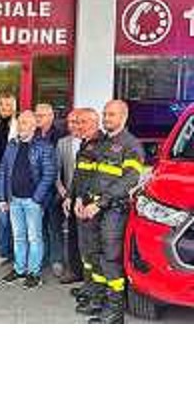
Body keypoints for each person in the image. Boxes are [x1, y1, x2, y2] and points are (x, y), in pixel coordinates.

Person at [79, 100, 145, 324]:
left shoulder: (131, 145)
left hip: (113, 212)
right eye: (105, 114)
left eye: (112, 114)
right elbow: (91, 175)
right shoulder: (102, 143)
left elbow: (129, 180)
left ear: (123, 117)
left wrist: (100, 203)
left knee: (110, 259)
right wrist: (82, 198)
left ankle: (115, 312)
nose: (107, 118)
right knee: (96, 256)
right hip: (94, 208)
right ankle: (99, 301)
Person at [0, 110, 57, 289]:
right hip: (14, 200)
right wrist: (2, 198)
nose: (20, 126)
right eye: (19, 123)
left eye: (24, 123)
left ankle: (34, 273)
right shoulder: (12, 144)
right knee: (18, 237)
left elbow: (49, 174)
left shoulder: (44, 146)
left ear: (33, 126)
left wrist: (36, 199)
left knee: (34, 238)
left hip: (32, 202)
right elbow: (4, 171)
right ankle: (19, 270)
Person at [69, 108, 105, 312]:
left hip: (92, 207)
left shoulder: (101, 145)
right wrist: (72, 197)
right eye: (78, 122)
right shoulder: (84, 144)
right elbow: (78, 176)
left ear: (95, 122)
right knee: (85, 250)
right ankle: (88, 287)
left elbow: (99, 180)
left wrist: (88, 201)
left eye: (84, 122)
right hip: (81, 203)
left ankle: (96, 294)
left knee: (93, 251)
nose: (79, 126)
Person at [35, 102, 65, 277]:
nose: (38, 118)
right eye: (37, 115)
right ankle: (43, 257)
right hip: (36, 188)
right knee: (39, 225)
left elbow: (59, 164)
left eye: (42, 115)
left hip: (54, 188)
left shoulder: (60, 135)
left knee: (54, 226)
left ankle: (57, 260)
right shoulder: (34, 133)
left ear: (51, 116)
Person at [0, 92, 18, 267]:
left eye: (8, 105)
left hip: (11, 175)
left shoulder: (17, 124)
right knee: (1, 213)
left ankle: (12, 252)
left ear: (14, 107)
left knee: (11, 214)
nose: (4, 108)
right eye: (1, 105)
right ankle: (4, 251)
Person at [55, 108, 84, 284]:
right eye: (70, 122)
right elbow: (56, 172)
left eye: (76, 121)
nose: (73, 125)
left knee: (88, 236)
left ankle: (88, 271)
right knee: (71, 234)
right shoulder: (62, 143)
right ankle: (73, 269)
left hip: (87, 197)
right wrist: (64, 193)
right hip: (68, 195)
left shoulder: (92, 142)